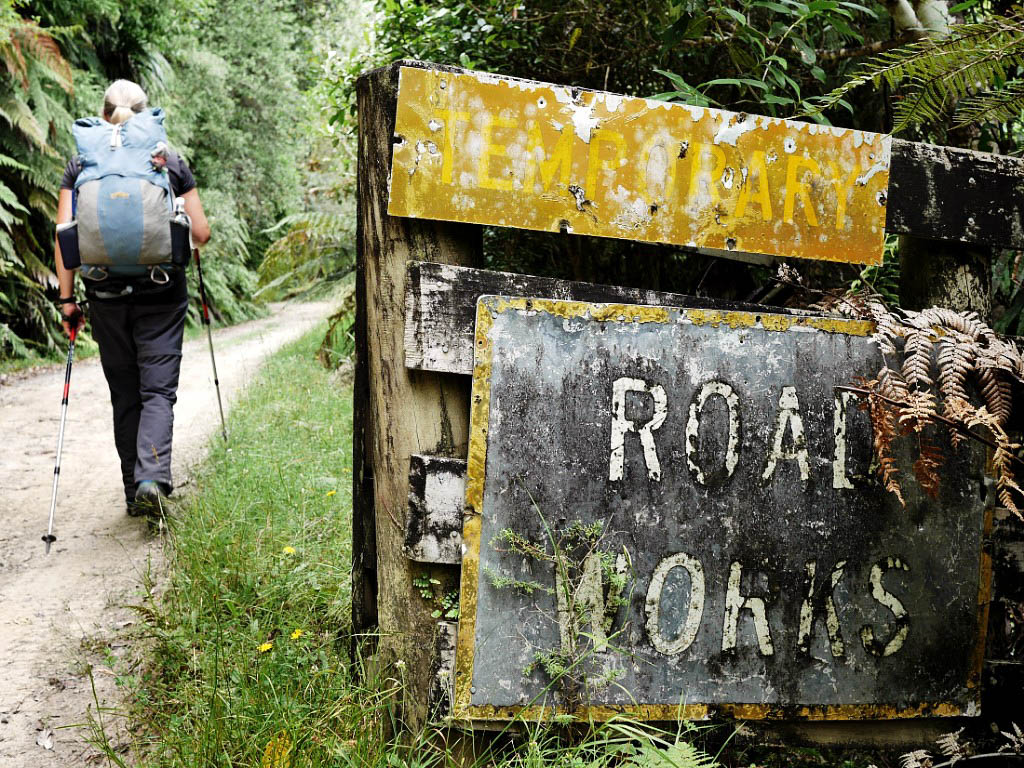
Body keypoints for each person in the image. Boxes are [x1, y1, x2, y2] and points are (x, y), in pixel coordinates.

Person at [54, 80, 211, 516]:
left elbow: (65, 235)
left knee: (125, 392)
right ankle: (152, 477)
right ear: (146, 114)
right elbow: (200, 233)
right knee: (157, 389)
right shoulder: (168, 160)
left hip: (103, 292)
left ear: (104, 115)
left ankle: (132, 493)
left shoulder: (81, 162)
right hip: (161, 290)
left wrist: (67, 301)